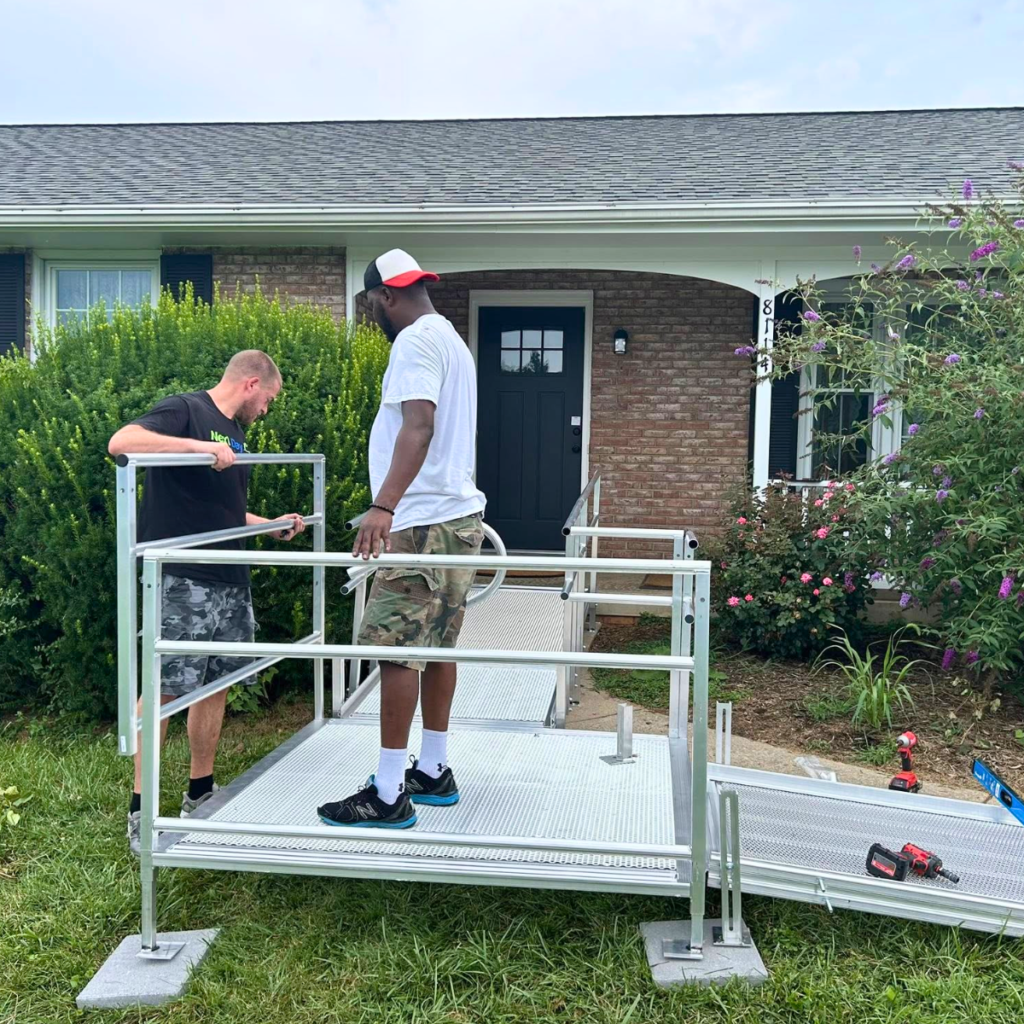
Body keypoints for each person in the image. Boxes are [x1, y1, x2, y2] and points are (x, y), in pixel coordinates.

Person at [108, 350, 306, 854]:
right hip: (182, 579)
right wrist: (197, 446)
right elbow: (122, 443)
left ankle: (200, 792)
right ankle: (141, 810)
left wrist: (274, 525)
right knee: (166, 689)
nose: (266, 410)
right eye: (268, 400)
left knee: (219, 684)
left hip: (229, 581)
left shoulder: (234, 436)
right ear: (251, 383)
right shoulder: (188, 410)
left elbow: (223, 512)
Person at [317, 250, 485, 830]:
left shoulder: (413, 342)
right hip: (459, 519)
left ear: (384, 296)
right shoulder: (453, 342)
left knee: (395, 651)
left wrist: (382, 506)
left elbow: (419, 426)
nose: (371, 315)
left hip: (421, 522)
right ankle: (432, 769)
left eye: (369, 305)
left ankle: (388, 794)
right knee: (436, 649)